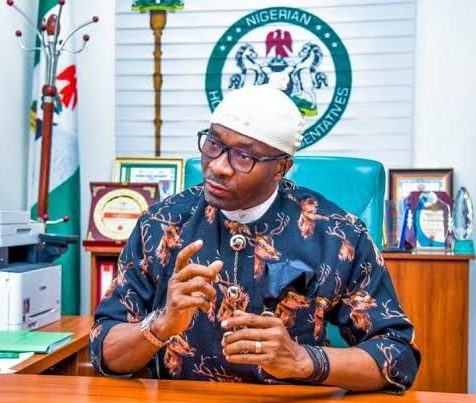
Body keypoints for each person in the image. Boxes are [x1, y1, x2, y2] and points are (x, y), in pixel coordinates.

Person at [89, 76, 420, 393]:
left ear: (281, 168)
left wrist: (302, 360)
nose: (218, 166)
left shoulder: (335, 234)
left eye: (243, 156)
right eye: (213, 144)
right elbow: (104, 351)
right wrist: (160, 324)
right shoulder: (162, 224)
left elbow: (398, 357)